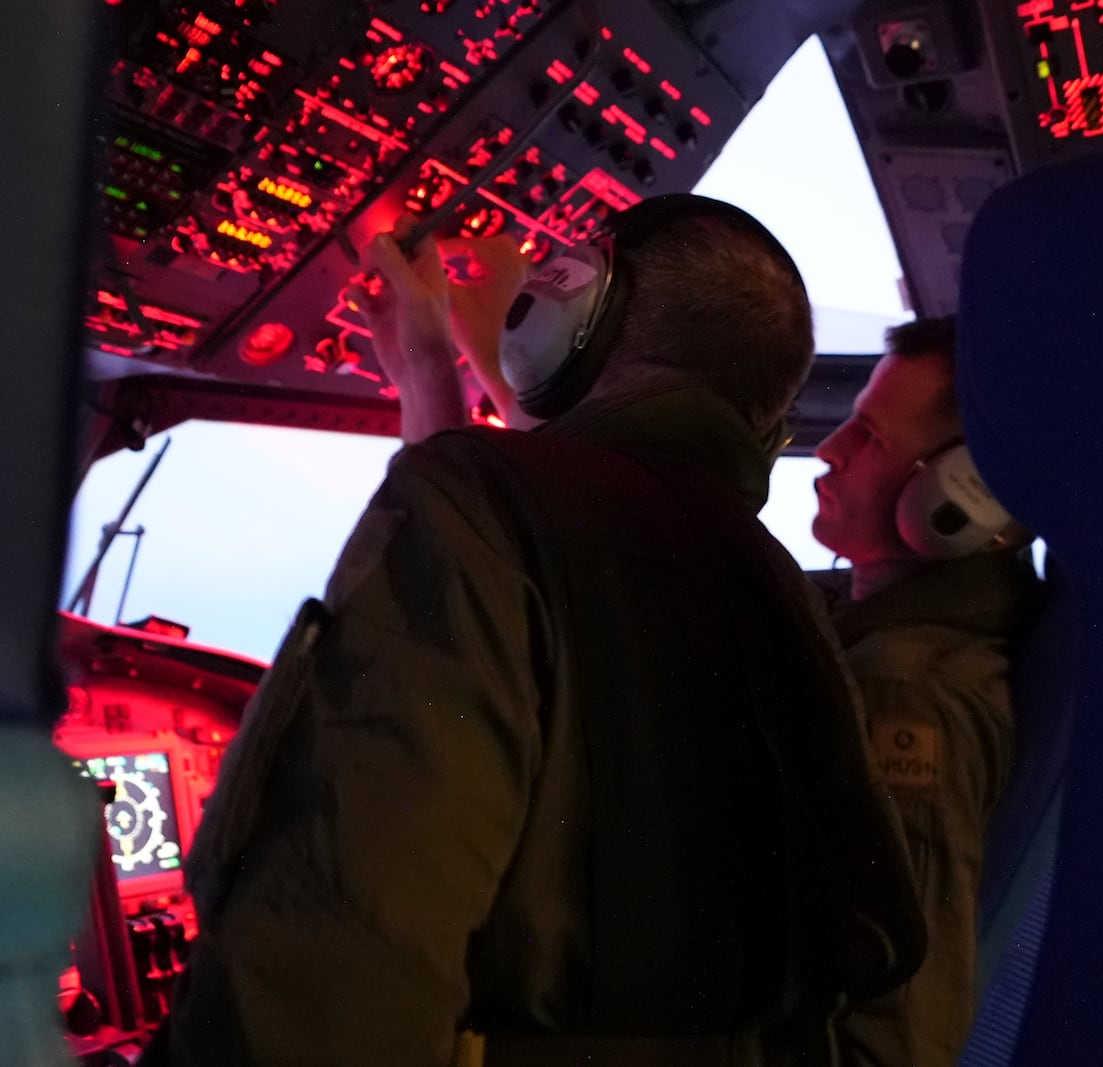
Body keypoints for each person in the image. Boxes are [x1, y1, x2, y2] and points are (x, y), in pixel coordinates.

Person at [144, 195, 925, 1066]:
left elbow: (327, 980)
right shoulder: (781, 590)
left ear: (573, 305)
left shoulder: (479, 509)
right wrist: (431, 375)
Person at [811, 317, 1040, 1066]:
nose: (828, 450)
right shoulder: (902, 632)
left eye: (870, 438)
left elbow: (901, 1037)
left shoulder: (909, 694)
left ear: (964, 496)